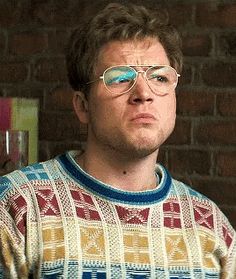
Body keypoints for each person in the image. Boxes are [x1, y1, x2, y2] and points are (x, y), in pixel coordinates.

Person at [0, 2, 235, 278]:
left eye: (159, 77)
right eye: (120, 78)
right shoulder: (17, 208)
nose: (143, 93)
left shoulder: (211, 225)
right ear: (83, 106)